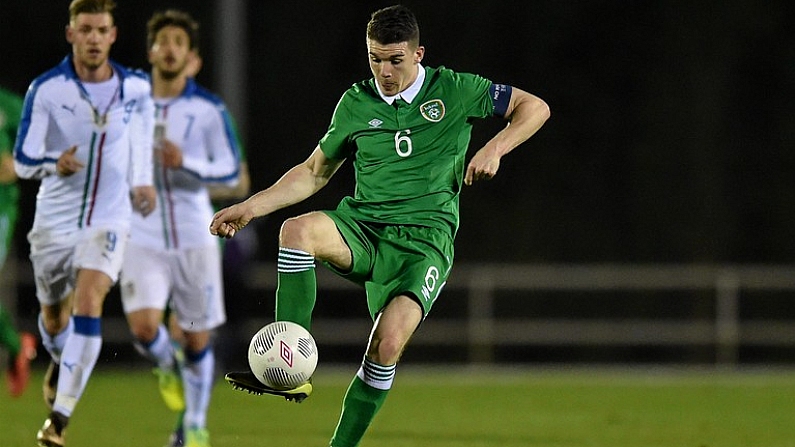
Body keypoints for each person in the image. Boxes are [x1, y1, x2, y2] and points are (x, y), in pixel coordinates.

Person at [210, 5, 550, 447]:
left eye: (395, 60)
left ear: (418, 54)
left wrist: (494, 149)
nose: (384, 72)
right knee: (296, 231)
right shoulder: (356, 102)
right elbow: (315, 171)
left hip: (425, 243)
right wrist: (252, 206)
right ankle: (290, 364)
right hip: (364, 228)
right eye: (375, 59)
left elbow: (534, 107)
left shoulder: (457, 89)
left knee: (386, 346)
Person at [13, 0, 156, 445]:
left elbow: (142, 136)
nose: (94, 38)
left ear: (113, 35)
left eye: (102, 30)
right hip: (53, 223)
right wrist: (54, 163)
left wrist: (143, 182)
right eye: (86, 29)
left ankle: (59, 420)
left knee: (89, 300)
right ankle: (59, 357)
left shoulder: (136, 88)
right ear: (71, 34)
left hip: (109, 217)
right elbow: (21, 159)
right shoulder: (48, 89)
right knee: (54, 319)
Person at [118, 9, 242, 447]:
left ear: (189, 55)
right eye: (162, 40)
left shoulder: (208, 109)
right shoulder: (128, 105)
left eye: (178, 42)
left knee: (195, 334)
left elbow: (233, 171)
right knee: (143, 328)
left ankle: (194, 424)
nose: (169, 48)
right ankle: (167, 368)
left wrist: (184, 162)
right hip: (143, 230)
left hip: (194, 231)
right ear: (151, 50)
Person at [0, 85, 37, 398]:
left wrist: (16, 163)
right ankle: (16, 345)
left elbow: (35, 149)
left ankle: (15, 346)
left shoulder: (11, 104)